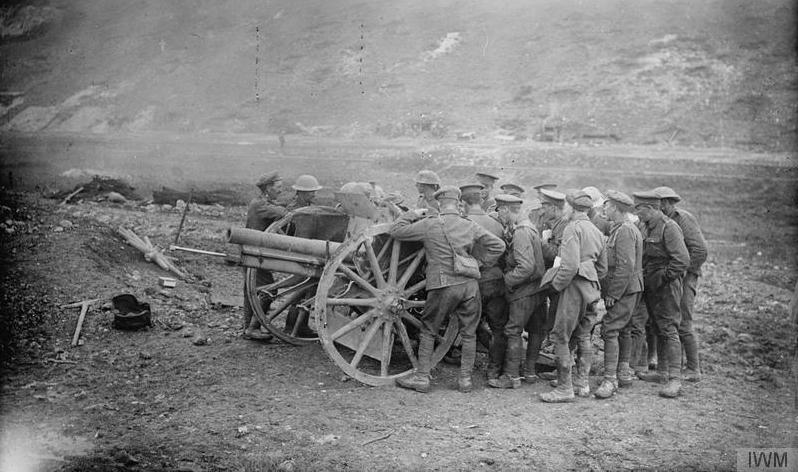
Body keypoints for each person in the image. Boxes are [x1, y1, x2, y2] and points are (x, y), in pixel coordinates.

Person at [390, 186, 506, 393]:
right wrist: (478, 263)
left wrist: (412, 213)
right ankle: (465, 381)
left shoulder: (429, 224)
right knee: (469, 333)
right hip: (469, 285)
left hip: (443, 285)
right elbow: (499, 246)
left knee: (428, 329)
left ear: (439, 204)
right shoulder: (468, 225)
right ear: (458, 203)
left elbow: (396, 230)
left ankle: (422, 378)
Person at [540, 191, 607, 403]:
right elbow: (603, 268)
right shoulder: (596, 230)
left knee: (561, 336)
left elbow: (568, 266)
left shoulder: (572, 228)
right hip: (591, 287)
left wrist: (556, 286)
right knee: (584, 335)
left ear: (571, 208)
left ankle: (564, 388)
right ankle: (581, 383)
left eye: (565, 207)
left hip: (573, 288)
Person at [633, 190, 690, 398]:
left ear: (651, 208)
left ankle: (675, 379)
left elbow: (682, 260)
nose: (637, 213)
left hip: (666, 287)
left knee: (669, 329)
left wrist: (663, 277)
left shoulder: (670, 228)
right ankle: (663, 372)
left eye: (639, 209)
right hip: (651, 285)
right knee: (656, 327)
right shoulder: (644, 226)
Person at [490, 195, 546, 389]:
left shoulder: (521, 232)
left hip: (523, 291)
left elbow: (526, 267)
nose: (500, 216)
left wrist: (505, 281)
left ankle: (512, 377)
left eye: (500, 211)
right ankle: (529, 373)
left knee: (513, 331)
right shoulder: (531, 227)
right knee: (536, 330)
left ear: (506, 210)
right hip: (538, 290)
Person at [655, 186, 708, 382]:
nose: (656, 207)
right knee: (667, 320)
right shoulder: (663, 221)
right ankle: (668, 369)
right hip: (673, 277)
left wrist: (682, 273)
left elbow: (700, 251)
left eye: (658, 203)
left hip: (685, 277)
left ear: (667, 203)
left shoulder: (683, 219)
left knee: (683, 321)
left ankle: (694, 369)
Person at [594, 190, 644, 399]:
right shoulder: (620, 228)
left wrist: (613, 294)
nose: (604, 209)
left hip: (624, 289)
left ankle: (610, 379)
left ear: (615, 208)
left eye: (606, 206)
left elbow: (625, 266)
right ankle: (623, 372)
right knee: (623, 329)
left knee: (610, 329)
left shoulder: (624, 230)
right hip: (629, 288)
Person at [460, 183, 506, 378]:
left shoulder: (464, 223)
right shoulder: (496, 224)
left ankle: (466, 374)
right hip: (496, 280)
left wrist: (477, 263)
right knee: (498, 328)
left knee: (470, 327)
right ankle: (494, 371)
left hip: (474, 282)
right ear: (480, 200)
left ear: (463, 202)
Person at [242, 172, 288, 341]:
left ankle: (249, 328)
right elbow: (282, 214)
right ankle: (252, 327)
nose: (281, 191)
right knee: (269, 289)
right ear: (268, 188)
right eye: (278, 188)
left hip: (254, 251)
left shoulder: (262, 203)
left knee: (251, 290)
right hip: (255, 253)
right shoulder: (260, 205)